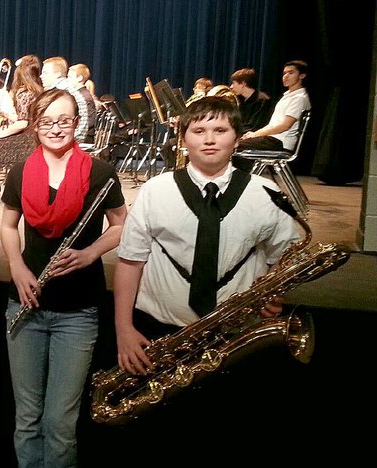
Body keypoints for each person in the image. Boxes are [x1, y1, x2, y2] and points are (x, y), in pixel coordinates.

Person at [113, 96, 299, 378]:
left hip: (237, 333)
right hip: (159, 331)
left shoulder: (266, 193)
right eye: (198, 131)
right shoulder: (155, 190)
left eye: (221, 131)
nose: (209, 140)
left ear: (237, 139)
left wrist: (275, 293)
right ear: (183, 141)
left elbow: (282, 257)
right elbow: (130, 262)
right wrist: (123, 329)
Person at [0, 88, 127, 468]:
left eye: (65, 120)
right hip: (25, 302)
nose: (56, 128)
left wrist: (90, 253)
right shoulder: (22, 170)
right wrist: (18, 268)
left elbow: (121, 225)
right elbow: (8, 226)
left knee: (59, 421)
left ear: (77, 121)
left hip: (78, 312)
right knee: (27, 419)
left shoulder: (101, 173)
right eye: (47, 121)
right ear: (35, 125)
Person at [0, 54, 44, 197]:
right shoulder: (38, 90)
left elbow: (23, 123)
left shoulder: (24, 93)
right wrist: (7, 113)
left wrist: (1, 132)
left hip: (27, 140)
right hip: (33, 135)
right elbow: (23, 119)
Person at [238, 60, 310, 152]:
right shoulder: (287, 96)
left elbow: (285, 126)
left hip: (280, 142)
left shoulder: (299, 98)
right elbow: (272, 125)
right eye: (284, 73)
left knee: (233, 145)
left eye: (290, 73)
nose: (286, 76)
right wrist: (254, 134)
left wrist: (256, 135)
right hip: (272, 139)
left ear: (302, 76)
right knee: (234, 142)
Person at [40, 56, 94, 143]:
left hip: (70, 140)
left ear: (57, 74)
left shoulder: (61, 91)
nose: (41, 76)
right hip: (72, 137)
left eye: (45, 73)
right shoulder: (65, 88)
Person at [229, 68, 272, 132]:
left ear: (243, 84)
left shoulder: (262, 100)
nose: (231, 87)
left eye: (233, 83)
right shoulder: (240, 99)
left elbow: (254, 126)